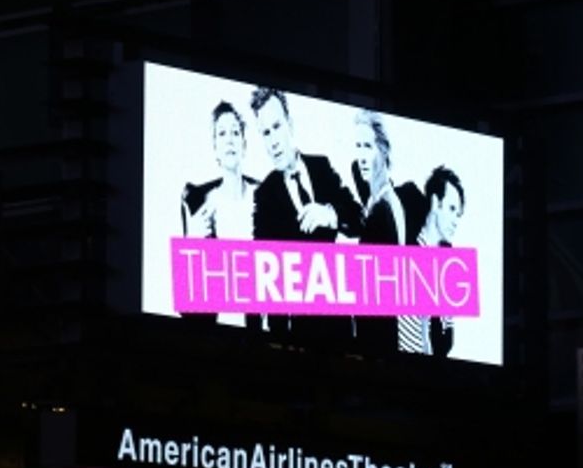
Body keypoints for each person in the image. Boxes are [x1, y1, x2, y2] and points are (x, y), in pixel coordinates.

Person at [249, 87, 363, 343]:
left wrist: (331, 214)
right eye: (265, 133)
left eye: (277, 127)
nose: (273, 141)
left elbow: (358, 219)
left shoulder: (321, 166)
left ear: (290, 124)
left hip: (341, 325)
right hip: (300, 335)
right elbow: (258, 270)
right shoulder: (265, 195)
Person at [178, 100, 260, 328]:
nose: (230, 139)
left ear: (244, 143)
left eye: (235, 132)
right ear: (214, 146)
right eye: (222, 134)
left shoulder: (266, 195)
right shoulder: (198, 202)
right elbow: (187, 305)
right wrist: (190, 245)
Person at [351, 109, 426, 354]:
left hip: (377, 347)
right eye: (358, 146)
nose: (361, 156)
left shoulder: (383, 210)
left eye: (368, 147)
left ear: (383, 151)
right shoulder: (382, 201)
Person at [405, 165, 466, 357]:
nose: (456, 220)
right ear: (434, 203)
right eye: (451, 209)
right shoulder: (406, 250)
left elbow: (447, 337)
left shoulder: (449, 266)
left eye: (458, 214)